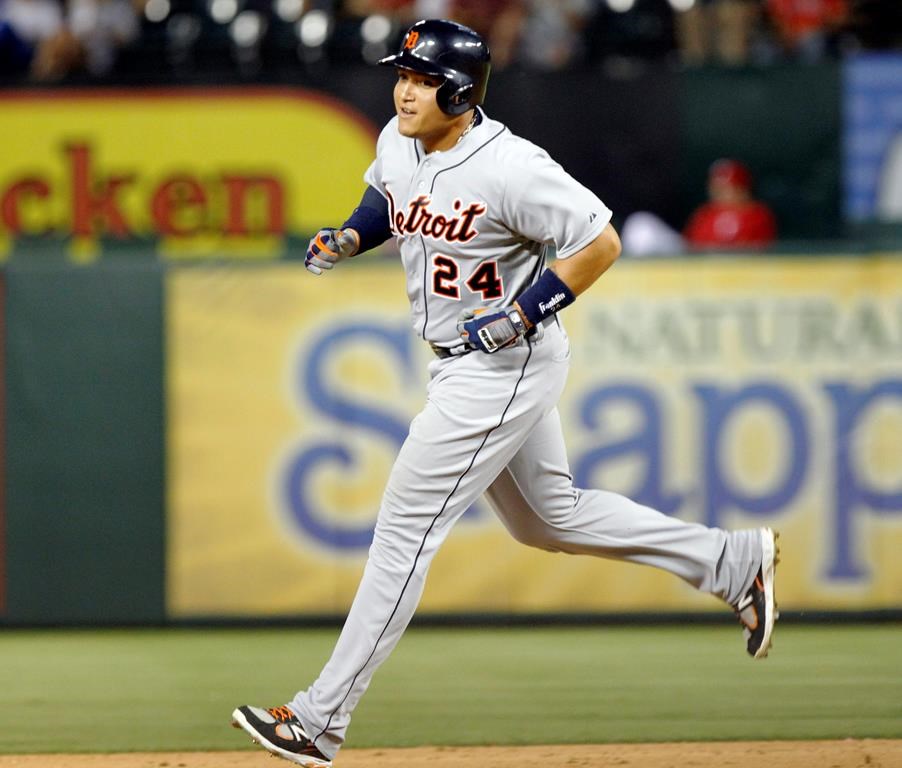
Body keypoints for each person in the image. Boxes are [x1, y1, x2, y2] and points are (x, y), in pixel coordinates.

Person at [230, 19, 780, 768]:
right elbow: (383, 200)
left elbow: (601, 242)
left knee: (402, 534)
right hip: (458, 360)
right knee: (550, 519)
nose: (404, 89)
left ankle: (320, 720)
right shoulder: (400, 139)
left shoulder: (513, 166)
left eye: (421, 79)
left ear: (458, 90)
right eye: (403, 74)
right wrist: (351, 238)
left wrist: (527, 307)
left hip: (502, 364)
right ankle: (730, 560)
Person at [683, 158, 777, 249]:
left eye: (728, 188)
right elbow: (692, 248)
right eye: (716, 188)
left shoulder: (758, 215)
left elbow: (763, 250)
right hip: (708, 264)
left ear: (743, 189)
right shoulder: (704, 214)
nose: (720, 193)